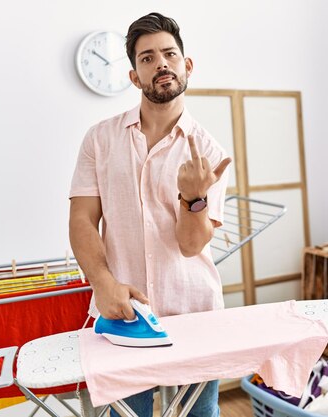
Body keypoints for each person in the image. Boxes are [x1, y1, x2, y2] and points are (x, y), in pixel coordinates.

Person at [68, 12, 231, 417]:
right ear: (134, 76)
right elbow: (82, 220)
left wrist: (193, 197)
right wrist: (102, 283)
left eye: (169, 54)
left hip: (195, 314)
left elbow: (192, 246)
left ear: (186, 65)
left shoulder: (208, 152)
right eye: (147, 58)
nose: (160, 64)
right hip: (123, 314)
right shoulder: (100, 139)